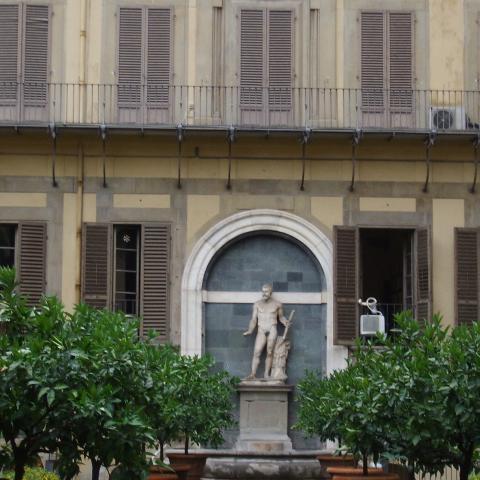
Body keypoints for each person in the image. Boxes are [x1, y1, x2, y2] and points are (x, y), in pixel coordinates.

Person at [243, 284, 290, 380]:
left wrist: (286, 322)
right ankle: (253, 374)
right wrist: (250, 330)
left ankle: (266, 374)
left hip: (272, 329)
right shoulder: (257, 304)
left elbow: (281, 317)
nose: (264, 293)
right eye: (263, 291)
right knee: (256, 352)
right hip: (261, 330)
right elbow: (253, 319)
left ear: (270, 293)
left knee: (269, 352)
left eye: (266, 291)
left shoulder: (277, 304)